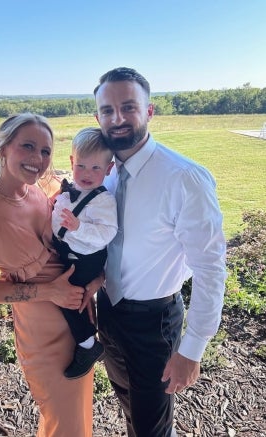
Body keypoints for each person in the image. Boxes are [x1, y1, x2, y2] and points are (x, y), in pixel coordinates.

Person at [84, 67, 227, 437]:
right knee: (132, 410)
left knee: (153, 427)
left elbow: (211, 268)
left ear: (149, 112)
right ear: (97, 116)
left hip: (152, 324)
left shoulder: (184, 178)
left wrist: (193, 348)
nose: (117, 118)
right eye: (107, 110)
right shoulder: (107, 174)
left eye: (128, 107)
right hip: (110, 313)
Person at [0, 113, 100, 437]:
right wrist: (50, 292)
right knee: (63, 419)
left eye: (46, 151)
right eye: (28, 147)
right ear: (4, 147)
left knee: (77, 411)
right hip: (42, 332)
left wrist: (97, 280)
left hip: (80, 314)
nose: (38, 159)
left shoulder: (45, 187)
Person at [51, 127, 118, 379]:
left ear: (108, 169)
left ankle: (88, 346)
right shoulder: (70, 191)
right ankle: (87, 340)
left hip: (87, 258)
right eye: (81, 166)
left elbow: (106, 234)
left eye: (95, 169)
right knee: (70, 299)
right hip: (70, 253)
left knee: (71, 300)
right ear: (71, 162)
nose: (87, 174)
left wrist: (78, 228)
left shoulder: (103, 201)